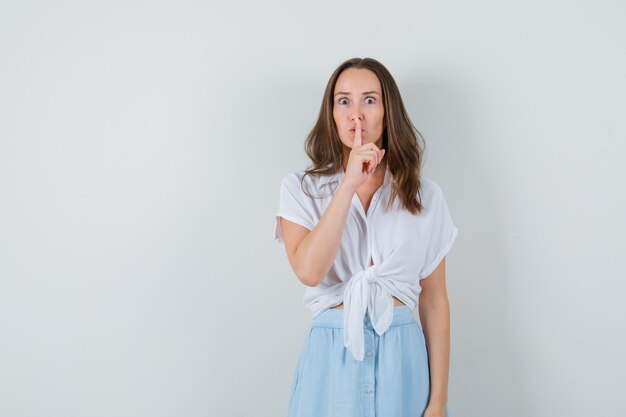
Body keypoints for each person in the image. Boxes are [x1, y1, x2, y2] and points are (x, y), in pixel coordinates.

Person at [273, 57, 459, 417]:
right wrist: (348, 185)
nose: (356, 114)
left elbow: (435, 302)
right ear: (331, 113)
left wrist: (438, 402)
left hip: (403, 359)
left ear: (388, 112)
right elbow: (310, 271)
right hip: (331, 356)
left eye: (369, 100)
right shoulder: (300, 189)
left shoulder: (425, 195)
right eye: (344, 101)